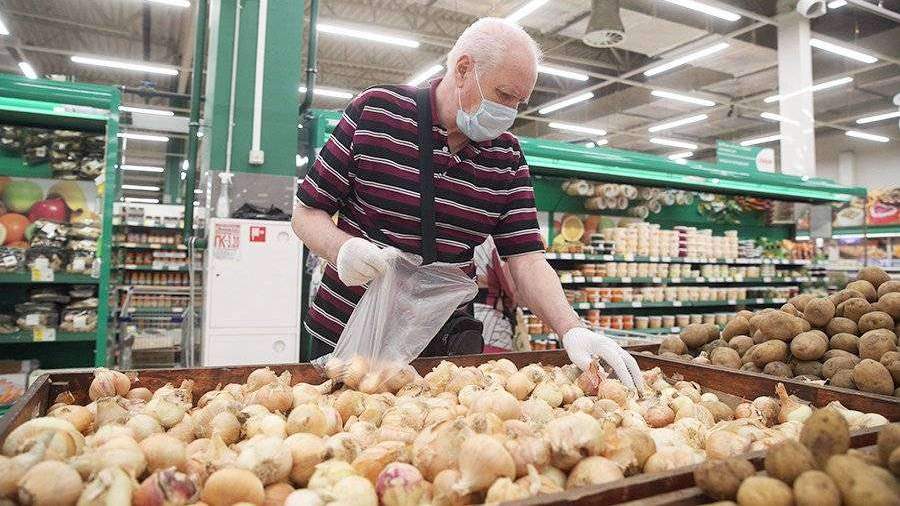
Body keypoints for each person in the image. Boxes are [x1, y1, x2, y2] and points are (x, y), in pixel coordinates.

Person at [291, 17, 643, 389]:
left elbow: (526, 260)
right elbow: (306, 212)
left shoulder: (506, 157)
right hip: (346, 335)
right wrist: (342, 249)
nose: (511, 112)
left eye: (519, 102)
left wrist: (571, 328)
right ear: (463, 70)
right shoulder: (376, 112)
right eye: (504, 95)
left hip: (438, 351)